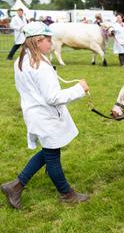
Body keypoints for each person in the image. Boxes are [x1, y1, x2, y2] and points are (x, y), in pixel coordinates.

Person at [1, 22, 90, 209]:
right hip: (44, 115)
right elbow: (53, 97)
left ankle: (15, 185)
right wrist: (79, 89)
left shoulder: (23, 59)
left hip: (36, 113)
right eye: (48, 39)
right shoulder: (39, 65)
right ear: (38, 40)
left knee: (49, 152)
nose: (51, 42)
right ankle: (67, 193)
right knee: (52, 156)